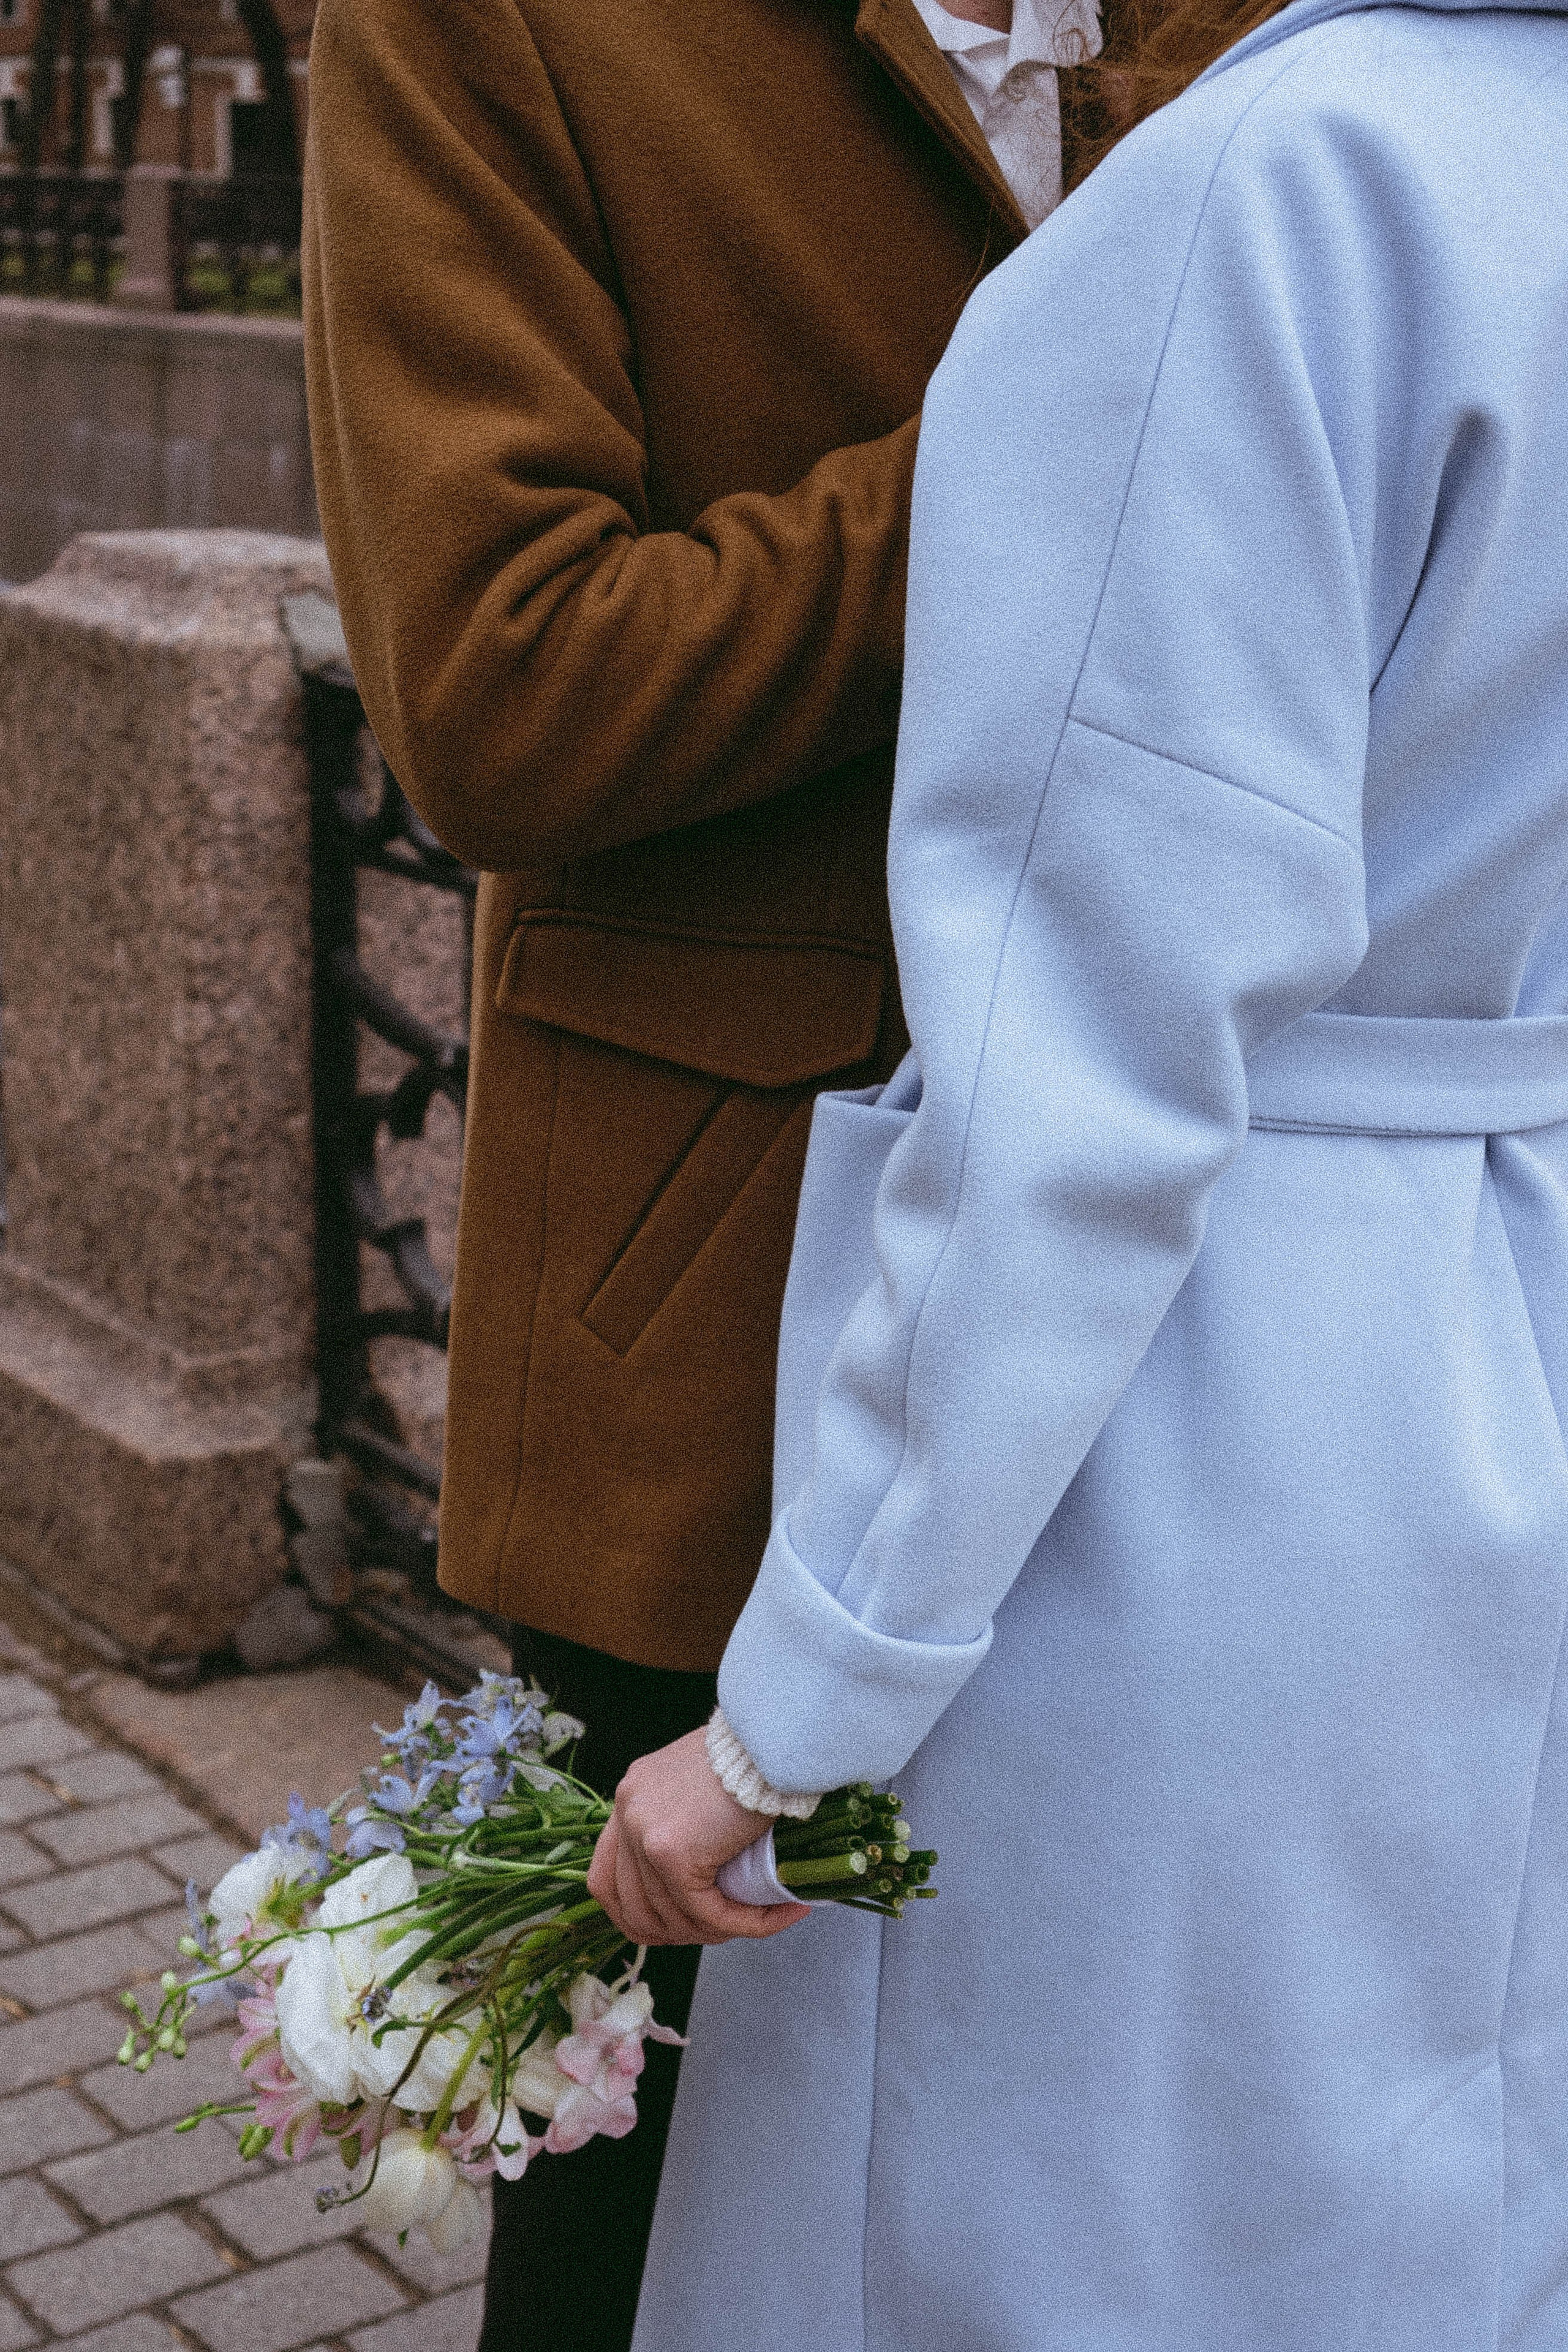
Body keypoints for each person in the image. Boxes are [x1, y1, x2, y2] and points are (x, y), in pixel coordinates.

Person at [586, 0, 1568, 2342]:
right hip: (1517, 1310)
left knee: (1032, 2236)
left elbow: (1078, 1074)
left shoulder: (1268, 196)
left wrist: (790, 1717)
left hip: (1225, 1433)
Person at [300, 0, 1109, 2335]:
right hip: (709, 1307)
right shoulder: (491, 26)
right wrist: (1068, 451)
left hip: (1204, 1270)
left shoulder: (1257, 35)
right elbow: (495, 682)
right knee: (636, 2177)